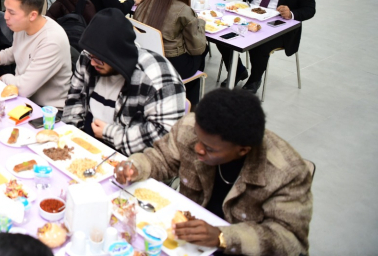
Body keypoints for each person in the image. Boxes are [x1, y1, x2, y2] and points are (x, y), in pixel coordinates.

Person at [116, 89, 312, 256]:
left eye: (209, 149)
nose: (198, 149)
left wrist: (223, 237)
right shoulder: (191, 128)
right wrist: (135, 166)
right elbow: (162, 158)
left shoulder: (287, 173)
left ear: (243, 150)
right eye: (198, 138)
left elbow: (289, 239)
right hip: (187, 242)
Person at [63, 8, 186, 154]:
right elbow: (74, 99)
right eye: (91, 56)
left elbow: (164, 137)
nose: (93, 63)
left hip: (131, 157)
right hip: (86, 144)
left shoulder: (157, 77)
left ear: (117, 57)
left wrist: (110, 134)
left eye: (99, 60)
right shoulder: (89, 57)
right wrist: (74, 139)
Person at [217, 0, 315, 92]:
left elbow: (310, 9)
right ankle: (238, 71)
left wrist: (292, 13)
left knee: (260, 43)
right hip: (248, 18)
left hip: (278, 25)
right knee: (221, 35)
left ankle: (255, 79)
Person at [133, 0, 207, 104]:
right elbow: (197, 48)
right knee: (202, 52)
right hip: (171, 63)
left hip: (145, 57)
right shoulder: (184, 11)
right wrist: (200, 24)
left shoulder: (145, 2)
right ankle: (190, 101)